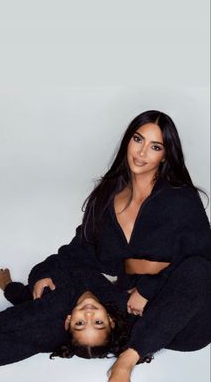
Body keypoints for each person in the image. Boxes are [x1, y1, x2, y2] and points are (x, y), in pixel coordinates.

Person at [27, 110, 211, 381]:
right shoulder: (106, 196)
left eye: (155, 147)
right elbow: (82, 248)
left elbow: (202, 257)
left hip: (186, 321)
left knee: (198, 269)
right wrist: (44, 271)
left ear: (165, 155)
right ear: (128, 140)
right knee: (69, 297)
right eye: (138, 140)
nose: (142, 152)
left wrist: (149, 289)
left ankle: (129, 358)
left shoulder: (180, 198)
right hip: (136, 312)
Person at [0, 265, 130, 369]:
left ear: (69, 320)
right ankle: (15, 292)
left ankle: (10, 288)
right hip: (46, 298)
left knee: (14, 342)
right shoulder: (119, 301)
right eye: (98, 322)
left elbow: (14, 318)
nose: (88, 314)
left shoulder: (51, 311)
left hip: (49, 325)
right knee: (29, 301)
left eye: (80, 323)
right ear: (111, 320)